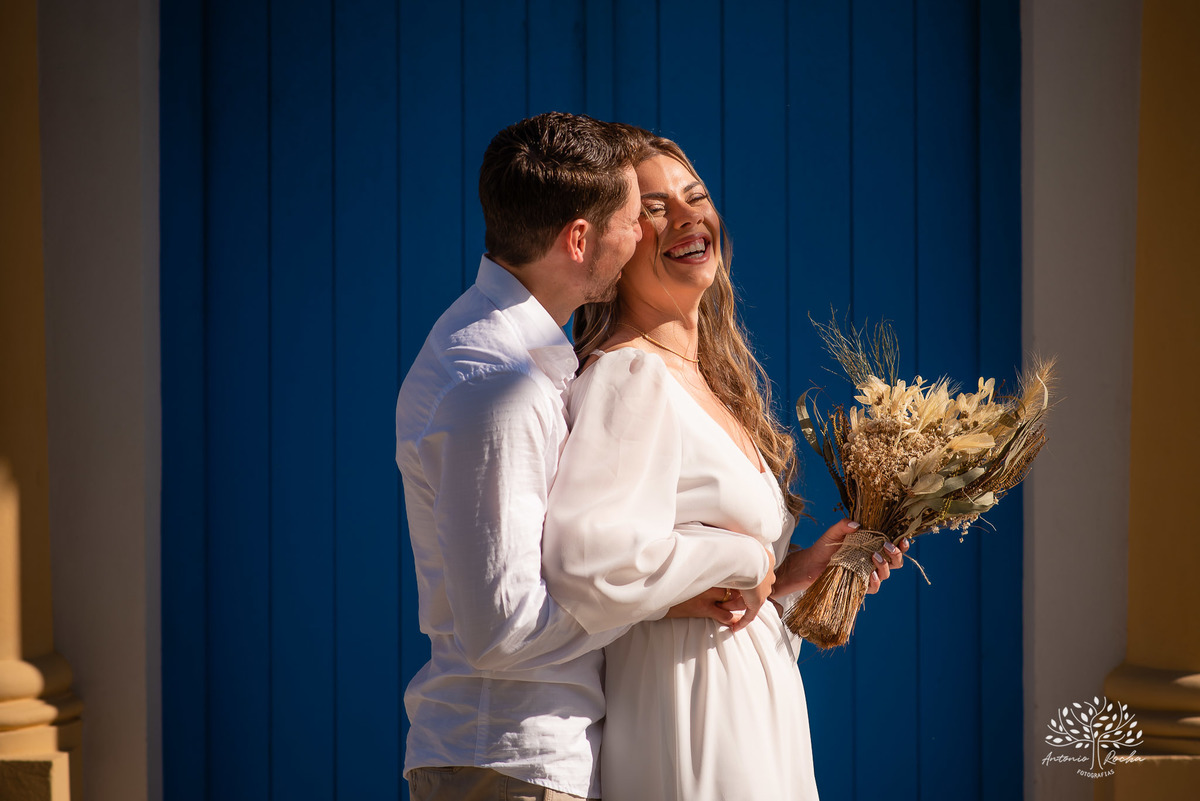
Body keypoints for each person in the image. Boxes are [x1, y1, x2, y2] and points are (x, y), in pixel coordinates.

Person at [541, 128, 909, 800]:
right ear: (617, 245)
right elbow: (587, 562)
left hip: (753, 702)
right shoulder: (629, 375)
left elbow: (728, 582)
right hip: (690, 711)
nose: (687, 217)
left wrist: (802, 573)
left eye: (696, 196)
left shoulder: (705, 382)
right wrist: (745, 565)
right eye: (654, 209)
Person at [393, 112, 648, 801]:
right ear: (578, 238)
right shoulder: (493, 383)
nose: (642, 236)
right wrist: (660, 597)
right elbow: (501, 630)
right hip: (507, 764)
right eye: (632, 219)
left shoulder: (523, 355)